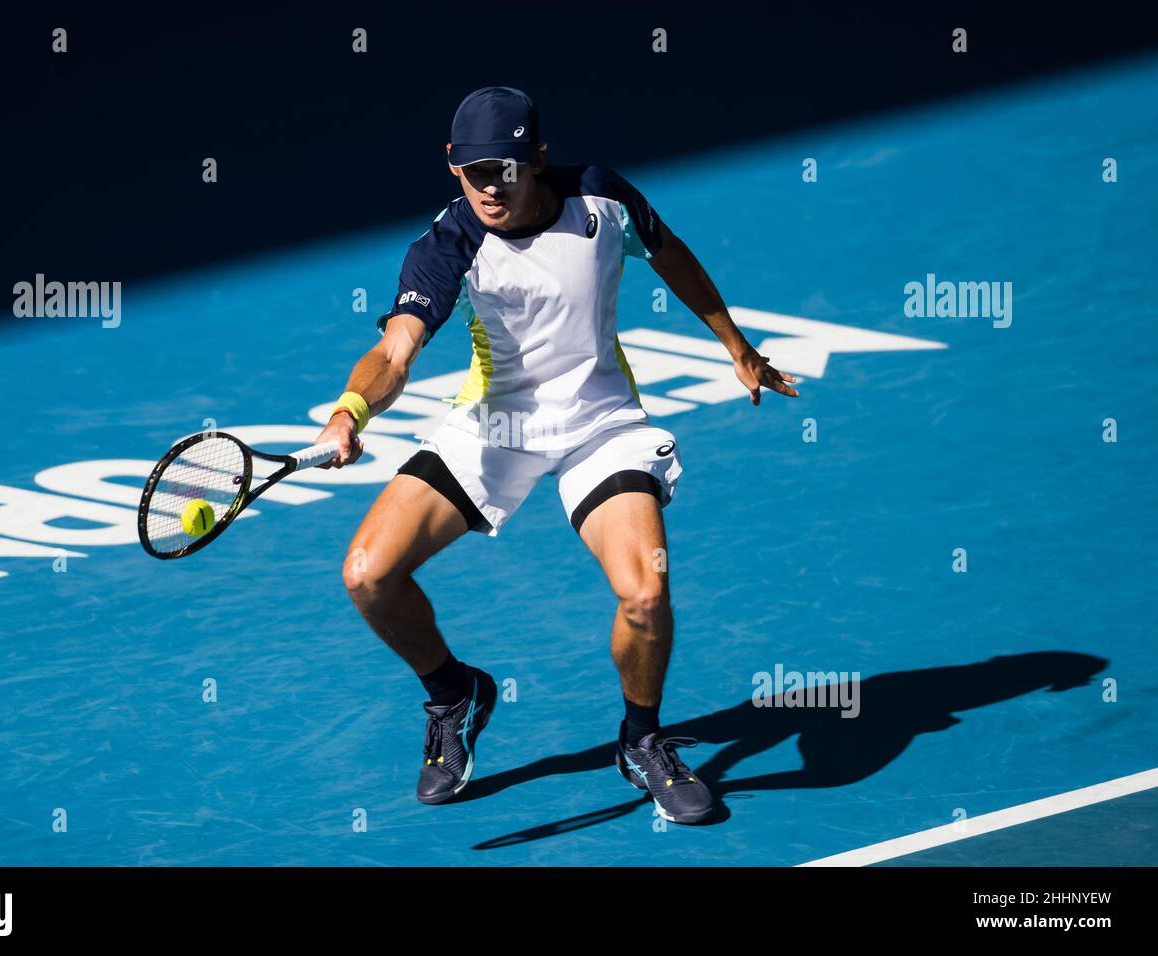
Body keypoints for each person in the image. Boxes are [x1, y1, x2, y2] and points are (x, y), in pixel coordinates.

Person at [313, 87, 798, 823]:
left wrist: (737, 346)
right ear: (451, 167)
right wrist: (352, 411)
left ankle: (641, 740)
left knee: (644, 593)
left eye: (504, 169)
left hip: (600, 421)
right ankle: (454, 693)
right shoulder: (447, 246)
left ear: (537, 159)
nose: (490, 187)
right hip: (492, 426)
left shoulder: (602, 198)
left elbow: (671, 254)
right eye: (474, 171)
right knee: (368, 576)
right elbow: (397, 350)